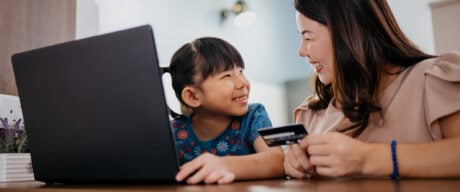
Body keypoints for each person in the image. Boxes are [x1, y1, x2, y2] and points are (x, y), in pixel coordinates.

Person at [284, 0, 460, 179]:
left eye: (308, 37)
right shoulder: (310, 114)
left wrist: (367, 159)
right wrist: (293, 164)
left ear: (349, 32)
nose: (301, 51)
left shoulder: (431, 80)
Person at [167, 37, 285, 184]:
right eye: (227, 76)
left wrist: (226, 165)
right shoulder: (173, 133)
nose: (243, 83)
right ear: (193, 96)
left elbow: (278, 161)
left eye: (241, 71)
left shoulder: (254, 116)